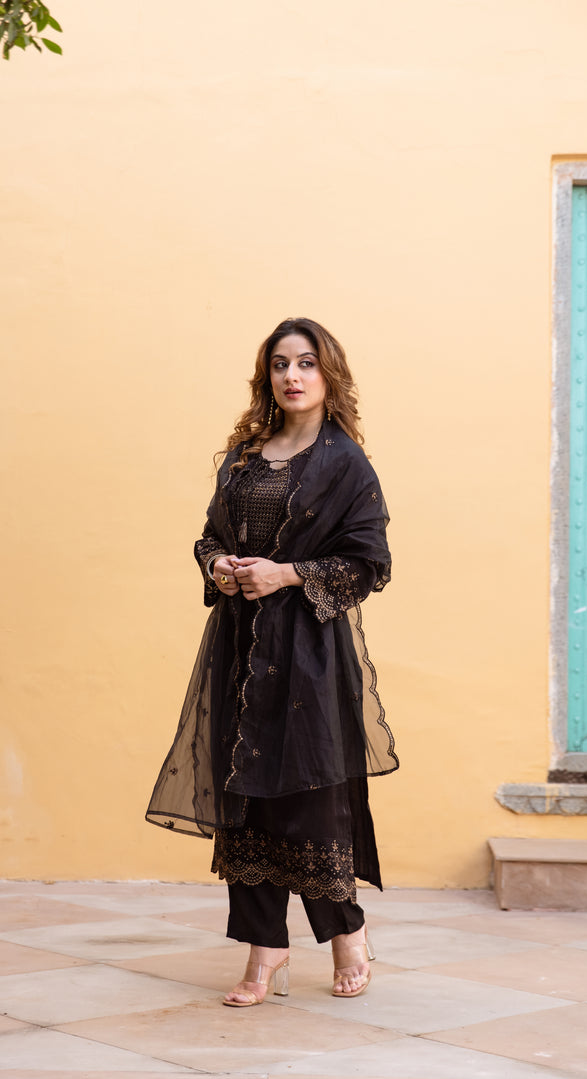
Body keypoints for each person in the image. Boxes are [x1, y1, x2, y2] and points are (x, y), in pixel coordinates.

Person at [146, 317, 398, 1006]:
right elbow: (208, 537)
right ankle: (266, 948)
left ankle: (347, 933)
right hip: (239, 650)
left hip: (309, 658)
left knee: (310, 800)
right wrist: (220, 567)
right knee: (245, 798)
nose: (292, 375)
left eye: (307, 363)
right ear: (267, 377)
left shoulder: (346, 464)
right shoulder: (243, 457)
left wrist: (285, 574)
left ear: (328, 375)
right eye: (281, 364)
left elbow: (369, 563)